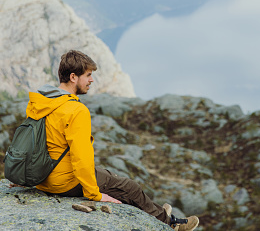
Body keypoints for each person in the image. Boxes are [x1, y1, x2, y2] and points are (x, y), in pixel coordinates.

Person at [26, 50, 199, 230]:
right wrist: (95, 195)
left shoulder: (42, 102)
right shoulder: (76, 110)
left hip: (42, 177)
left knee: (109, 176)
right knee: (129, 187)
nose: (92, 80)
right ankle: (170, 223)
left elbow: (30, 142)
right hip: (62, 181)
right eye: (88, 75)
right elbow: (81, 158)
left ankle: (157, 210)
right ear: (73, 77)